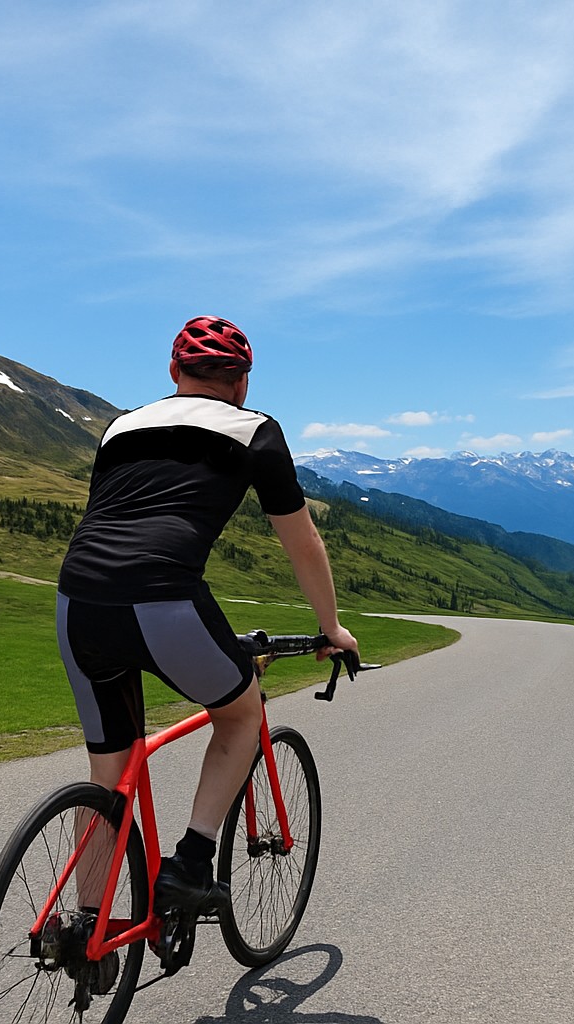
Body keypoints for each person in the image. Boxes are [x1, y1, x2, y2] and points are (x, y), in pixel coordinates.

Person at [56, 315, 358, 916]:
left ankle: (86, 931)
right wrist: (332, 629)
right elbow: (302, 544)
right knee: (241, 715)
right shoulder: (256, 431)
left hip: (77, 601)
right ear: (243, 382)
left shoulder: (120, 427)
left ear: (174, 371)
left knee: (108, 777)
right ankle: (191, 865)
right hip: (166, 601)